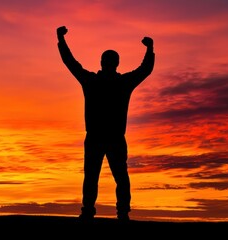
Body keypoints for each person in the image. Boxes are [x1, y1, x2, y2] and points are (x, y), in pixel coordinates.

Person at [56, 26, 155, 221]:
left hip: (107, 137)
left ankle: (108, 212)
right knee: (104, 176)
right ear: (114, 63)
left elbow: (71, 62)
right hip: (103, 137)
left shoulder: (98, 81)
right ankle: (108, 212)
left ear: (104, 63)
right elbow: (145, 69)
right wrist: (149, 49)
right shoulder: (112, 82)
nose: (109, 64)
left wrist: (61, 39)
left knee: (107, 176)